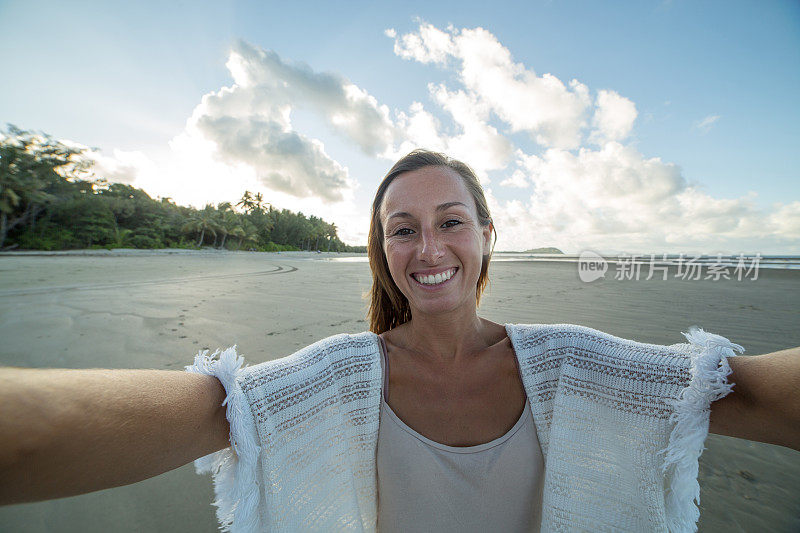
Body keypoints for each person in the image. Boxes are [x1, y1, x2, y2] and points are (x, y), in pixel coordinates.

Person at [0, 150, 798, 533]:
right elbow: (213, 409)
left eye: (451, 221)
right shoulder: (335, 379)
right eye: (402, 229)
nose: (429, 248)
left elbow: (739, 387)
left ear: (487, 236)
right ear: (381, 250)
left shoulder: (578, 363)